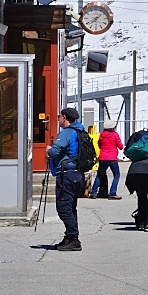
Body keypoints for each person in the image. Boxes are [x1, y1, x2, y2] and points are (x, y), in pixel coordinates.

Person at [46, 107, 88, 251]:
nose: (58, 119)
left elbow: (55, 150)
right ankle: (70, 237)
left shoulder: (67, 132)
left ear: (64, 118)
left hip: (67, 174)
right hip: (77, 174)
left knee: (63, 207)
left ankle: (74, 238)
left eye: (59, 116)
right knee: (71, 207)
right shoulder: (80, 131)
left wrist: (48, 150)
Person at [92, 120, 123, 199]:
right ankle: (112, 193)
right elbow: (120, 146)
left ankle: (93, 192)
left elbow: (99, 145)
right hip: (112, 158)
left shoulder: (101, 135)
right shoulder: (115, 135)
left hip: (103, 157)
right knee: (116, 175)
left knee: (99, 175)